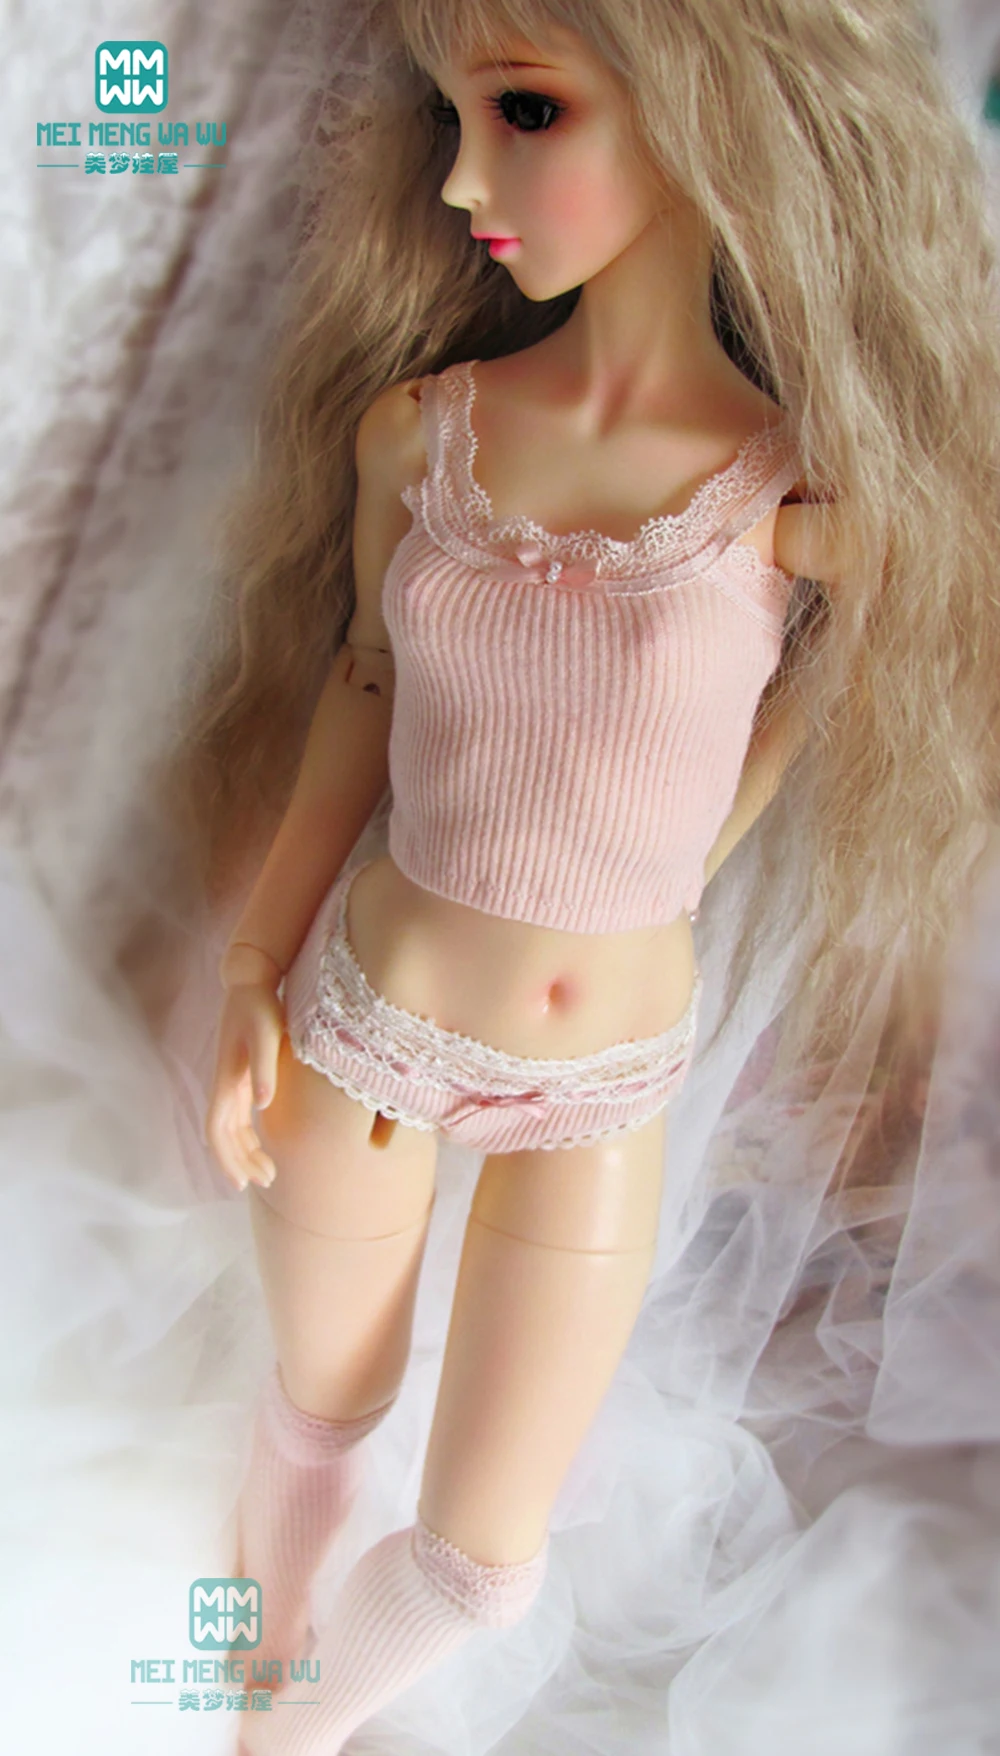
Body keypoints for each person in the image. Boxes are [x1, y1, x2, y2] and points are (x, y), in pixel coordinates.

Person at [162, 2, 1000, 1750]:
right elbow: (362, 685)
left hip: (603, 1081)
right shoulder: (423, 431)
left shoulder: (796, 498)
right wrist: (250, 966)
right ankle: (268, 1658)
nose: (466, 179)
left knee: (480, 1563)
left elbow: (827, 701)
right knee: (318, 1417)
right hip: (368, 1027)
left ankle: (279, 1733)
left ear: (705, 115)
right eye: (460, 117)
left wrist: (682, 857)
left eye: (527, 112)